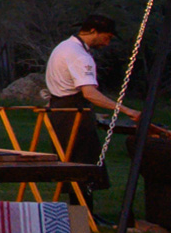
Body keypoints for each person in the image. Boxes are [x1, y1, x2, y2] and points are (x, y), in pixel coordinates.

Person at [43, 14, 127, 179]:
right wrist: (126, 110)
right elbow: (89, 93)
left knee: (70, 164)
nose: (107, 43)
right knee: (81, 166)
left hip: (59, 109)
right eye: (107, 37)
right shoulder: (79, 55)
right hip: (72, 114)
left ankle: (75, 195)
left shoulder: (64, 46)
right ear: (94, 31)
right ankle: (82, 196)